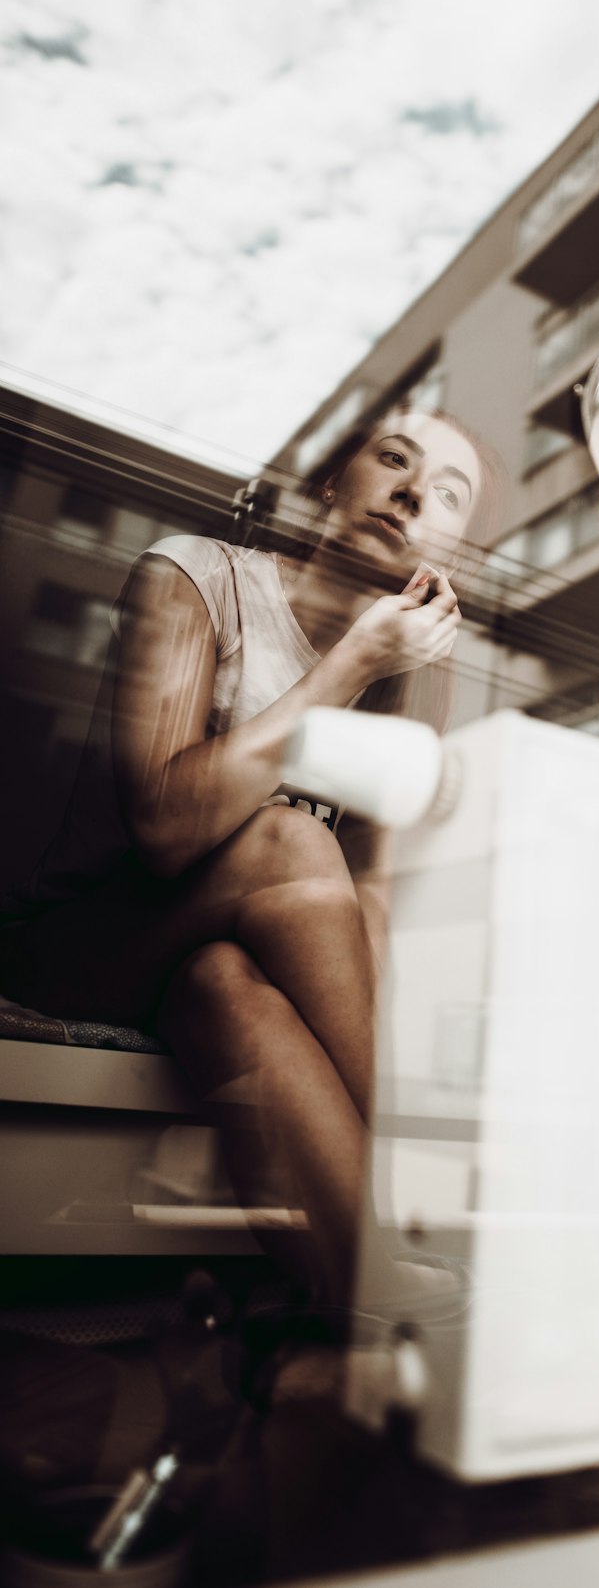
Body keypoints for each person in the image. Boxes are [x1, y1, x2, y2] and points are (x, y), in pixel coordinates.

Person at [0, 404, 498, 1303]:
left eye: (449, 494)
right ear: (326, 485)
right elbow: (162, 830)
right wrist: (351, 662)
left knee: (224, 985)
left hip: (197, 968)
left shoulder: (417, 670)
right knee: (289, 838)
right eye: (393, 458)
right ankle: (432, 1202)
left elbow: (377, 893)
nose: (415, 490)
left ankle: (359, 1326)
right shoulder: (196, 576)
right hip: (75, 951)